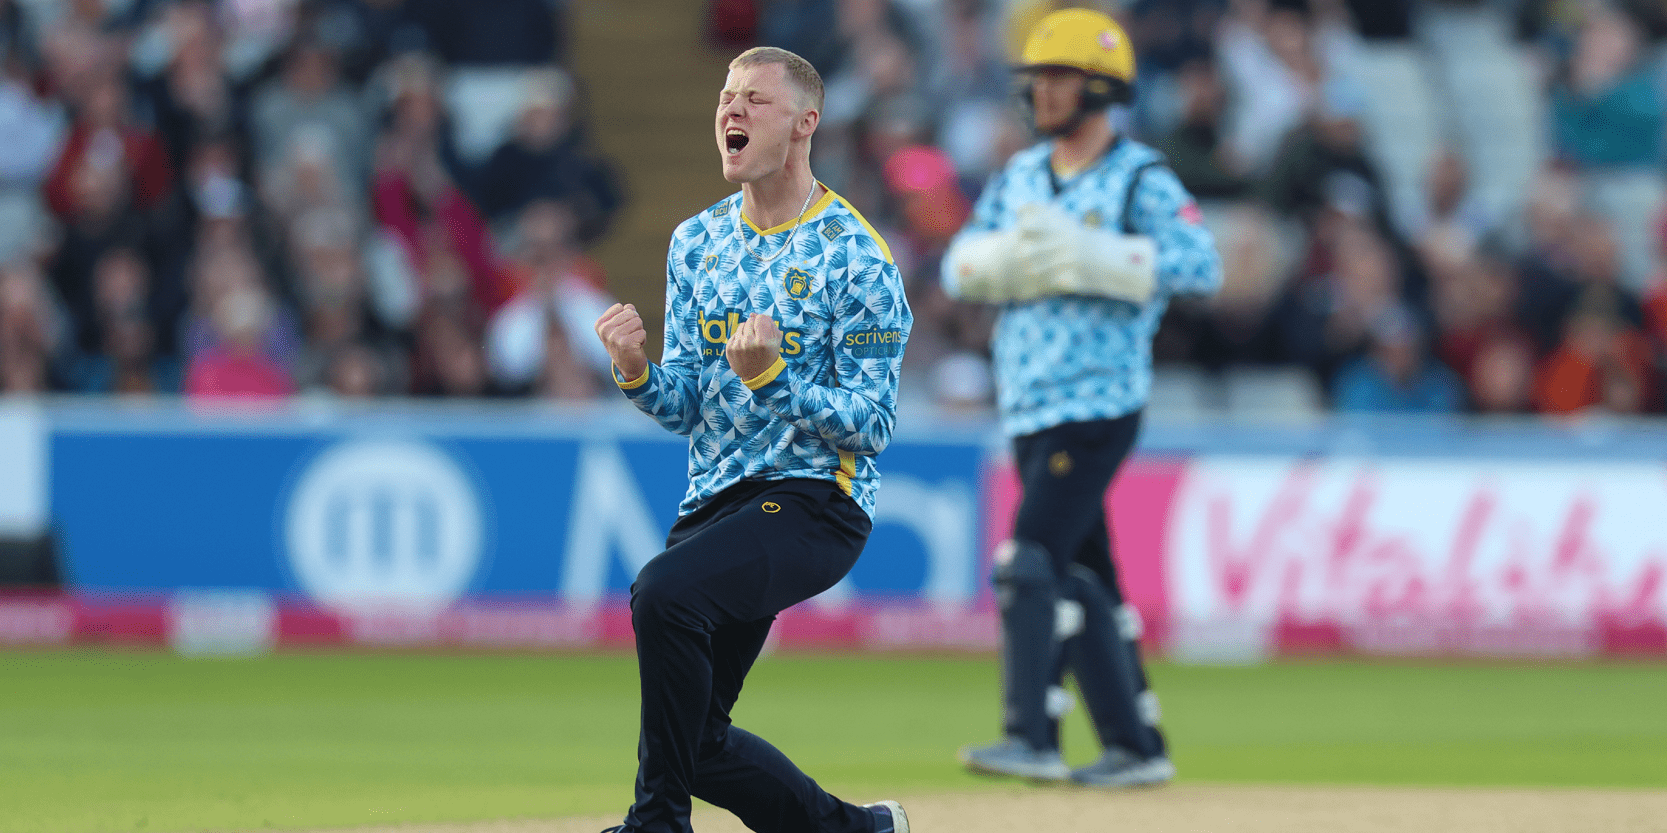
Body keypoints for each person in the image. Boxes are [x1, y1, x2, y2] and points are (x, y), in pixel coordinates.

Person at [592, 46, 913, 833]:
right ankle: (861, 830)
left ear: (805, 123)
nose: (730, 111)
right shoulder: (695, 241)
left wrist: (775, 380)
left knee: (663, 591)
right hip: (717, 501)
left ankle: (655, 825)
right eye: (726, 96)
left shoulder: (856, 254)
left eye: (755, 100)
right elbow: (688, 404)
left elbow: (871, 427)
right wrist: (635, 370)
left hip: (816, 502)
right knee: (693, 741)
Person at [943, 9, 1222, 787]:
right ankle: (1136, 746)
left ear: (1100, 86)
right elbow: (959, 265)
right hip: (1027, 404)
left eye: (1056, 78)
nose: (1040, 93)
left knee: (1027, 558)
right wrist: (1003, 264)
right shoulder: (1022, 176)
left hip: (1098, 401)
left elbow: (1202, 266)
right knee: (1086, 575)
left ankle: (1028, 732)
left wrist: (1104, 258)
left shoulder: (1139, 177)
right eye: (1034, 79)